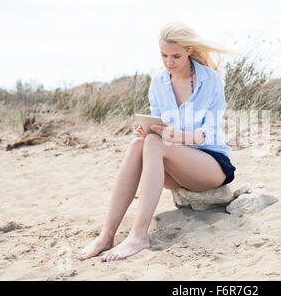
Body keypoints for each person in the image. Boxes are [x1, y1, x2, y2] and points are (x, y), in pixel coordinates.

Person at [76, 21, 236, 262]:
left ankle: (139, 235)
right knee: (138, 144)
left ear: (190, 51)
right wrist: (151, 130)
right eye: (164, 55)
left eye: (176, 56)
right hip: (175, 166)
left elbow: (209, 133)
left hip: (211, 166)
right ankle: (106, 235)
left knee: (154, 143)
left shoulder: (209, 79)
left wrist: (175, 136)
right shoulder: (159, 82)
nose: (169, 62)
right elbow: (158, 127)